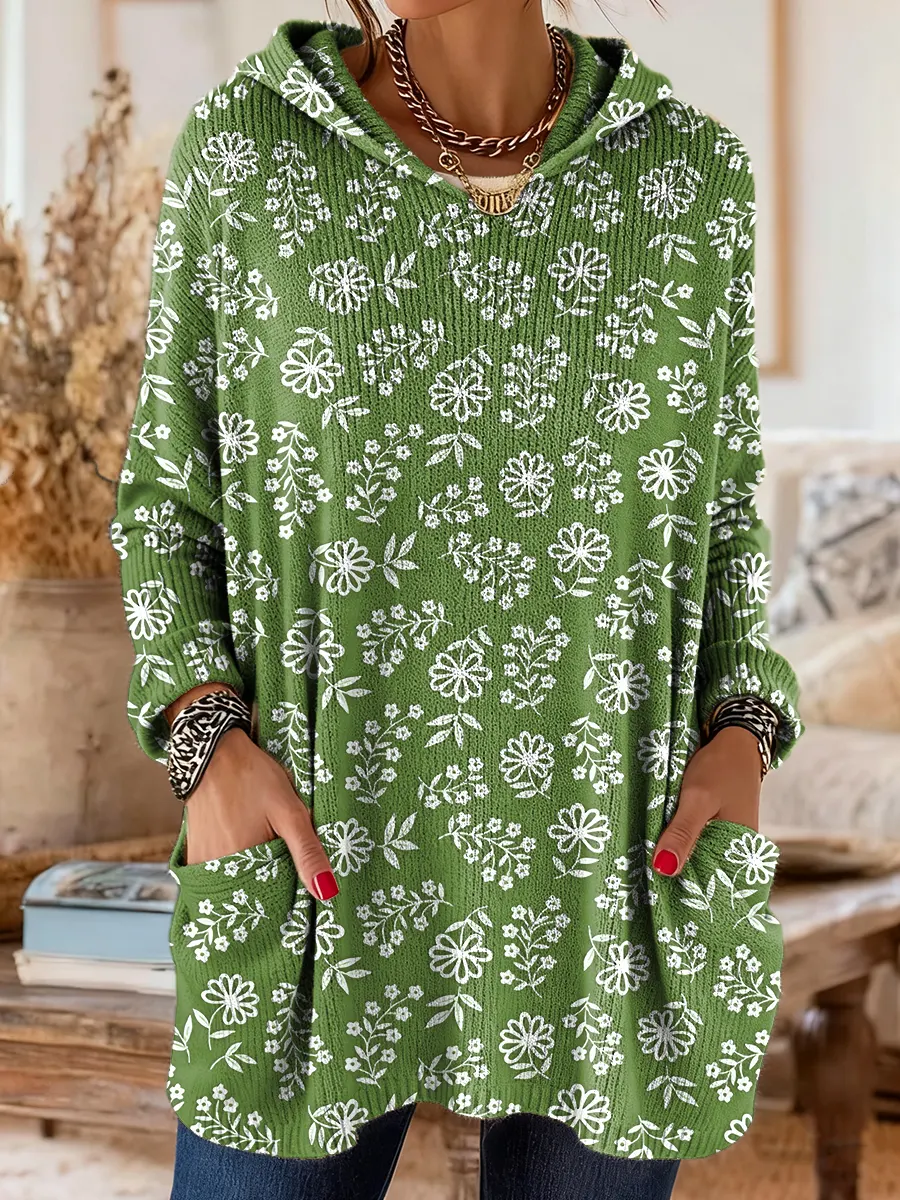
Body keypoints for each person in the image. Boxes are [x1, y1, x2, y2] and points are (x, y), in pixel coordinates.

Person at [110, 2, 804, 1197]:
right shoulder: (253, 149)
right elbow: (171, 500)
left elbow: (724, 515)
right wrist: (206, 743)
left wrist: (742, 731)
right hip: (313, 858)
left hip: (614, 874)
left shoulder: (691, 180)